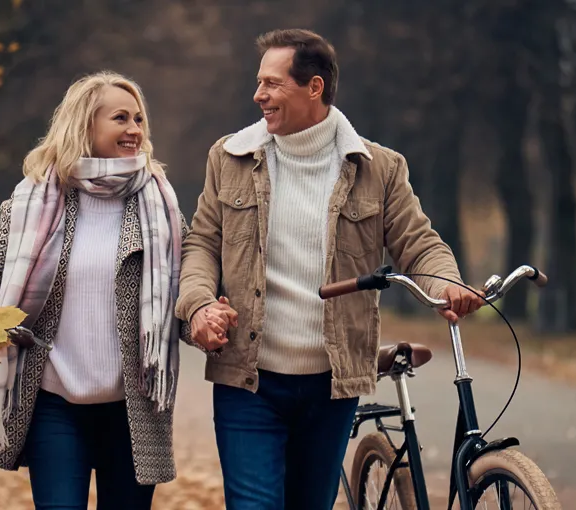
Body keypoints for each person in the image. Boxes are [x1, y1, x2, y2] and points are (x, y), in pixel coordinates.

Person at [175, 29, 486, 509]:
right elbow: (202, 245)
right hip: (248, 380)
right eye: (259, 82)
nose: (258, 94)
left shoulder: (378, 167)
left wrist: (444, 281)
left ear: (314, 87)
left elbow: (418, 243)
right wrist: (196, 305)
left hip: (331, 384)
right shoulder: (230, 157)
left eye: (272, 84)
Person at [0, 71, 186, 509]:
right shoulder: (35, 202)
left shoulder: (159, 205)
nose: (135, 130)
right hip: (54, 403)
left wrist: (209, 310)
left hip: (132, 408)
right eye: (120, 118)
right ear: (86, 125)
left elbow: (192, 275)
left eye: (139, 119)